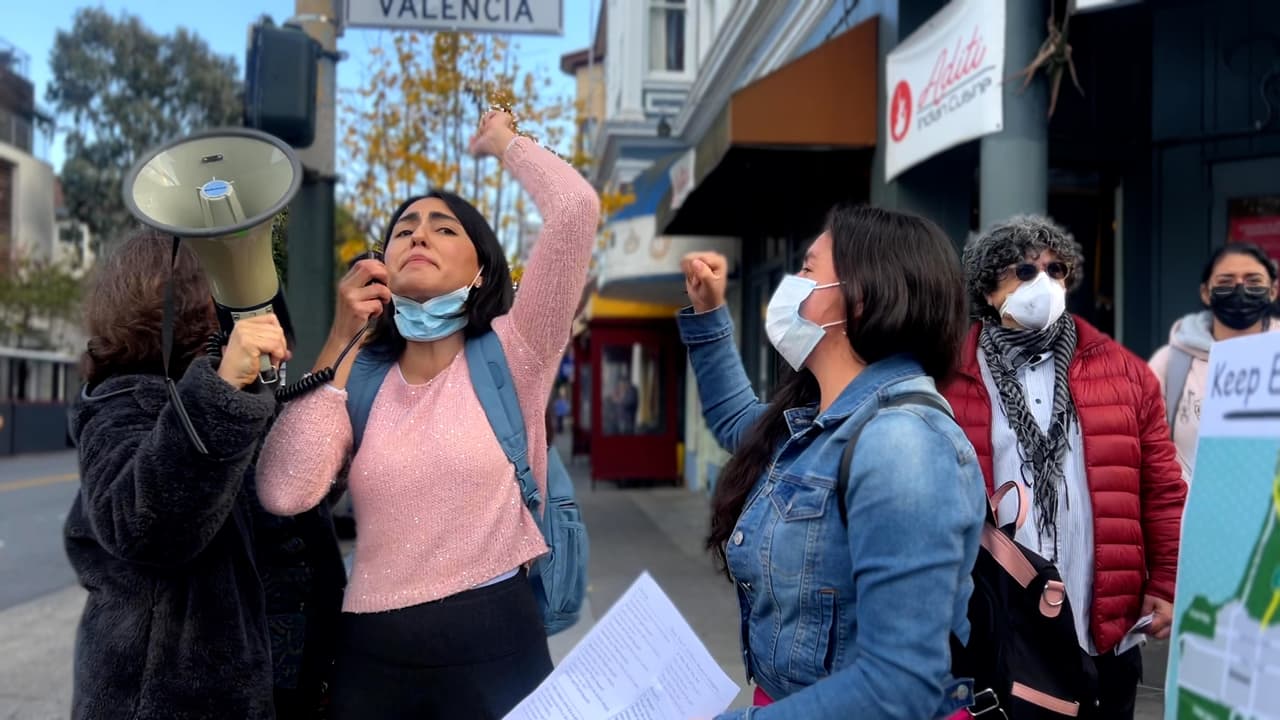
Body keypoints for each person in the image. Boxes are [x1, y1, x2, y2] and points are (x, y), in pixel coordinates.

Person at [256, 108, 600, 719]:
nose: (418, 235)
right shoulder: (362, 374)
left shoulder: (516, 352)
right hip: (371, 658)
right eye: (404, 229)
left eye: (444, 229)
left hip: (499, 645)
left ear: (482, 270)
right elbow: (285, 490)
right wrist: (339, 341)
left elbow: (576, 210)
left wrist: (506, 142)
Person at [680, 204, 987, 719]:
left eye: (807, 268)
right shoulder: (819, 421)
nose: (791, 286)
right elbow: (737, 420)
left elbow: (897, 689)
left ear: (860, 299)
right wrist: (709, 314)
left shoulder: (904, 444)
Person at [939, 215, 1187, 719]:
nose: (1044, 283)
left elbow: (1161, 489)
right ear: (988, 289)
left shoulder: (1125, 373)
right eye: (1025, 271)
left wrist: (1165, 583)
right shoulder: (950, 376)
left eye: (1055, 270)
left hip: (1102, 628)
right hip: (998, 629)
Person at [64, 232, 288, 719]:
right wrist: (222, 389)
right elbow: (140, 525)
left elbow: (279, 508)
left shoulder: (199, 395)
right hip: (154, 702)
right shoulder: (118, 403)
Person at [1148, 243, 1279, 482]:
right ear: (1206, 293)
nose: (1240, 290)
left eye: (1253, 280)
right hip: (1191, 505)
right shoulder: (1169, 363)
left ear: (1273, 290)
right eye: (1226, 281)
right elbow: (1147, 449)